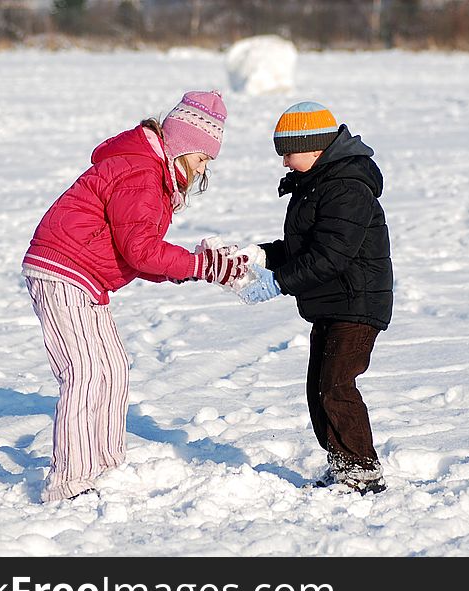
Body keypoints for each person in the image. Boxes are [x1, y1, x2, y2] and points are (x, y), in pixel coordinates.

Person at [22, 90, 247, 503]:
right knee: (85, 374)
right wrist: (202, 266)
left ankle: (104, 464)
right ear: (182, 144)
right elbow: (141, 250)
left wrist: (194, 268)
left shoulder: (152, 175)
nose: (201, 171)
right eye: (201, 159)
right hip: (61, 270)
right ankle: (68, 482)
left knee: (113, 369)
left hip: (85, 278)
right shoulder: (142, 174)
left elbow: (139, 254)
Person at [239, 102, 393, 495]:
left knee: (336, 386)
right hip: (331, 304)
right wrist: (258, 256)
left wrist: (277, 283)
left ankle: (361, 472)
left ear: (314, 149)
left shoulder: (347, 188)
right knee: (319, 389)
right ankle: (342, 465)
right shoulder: (318, 184)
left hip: (356, 304)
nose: (284, 162)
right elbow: (304, 247)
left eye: (287, 152)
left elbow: (331, 255)